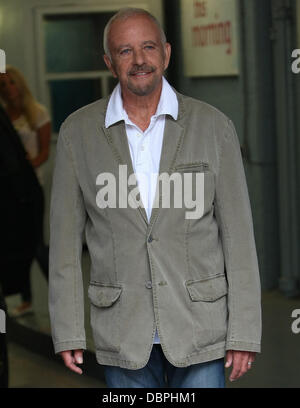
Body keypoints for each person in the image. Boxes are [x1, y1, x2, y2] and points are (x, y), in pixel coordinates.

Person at [49, 8, 262, 388]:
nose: (140, 60)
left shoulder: (214, 127)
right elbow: (64, 244)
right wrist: (67, 330)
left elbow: (239, 239)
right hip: (122, 329)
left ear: (166, 53)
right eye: (125, 51)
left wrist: (244, 331)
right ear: (110, 63)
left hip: (201, 327)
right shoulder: (77, 134)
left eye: (148, 47)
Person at [0, 66, 51, 317]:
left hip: (32, 188)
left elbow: (44, 152)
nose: (9, 88)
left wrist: (24, 166)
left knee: (36, 244)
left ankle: (59, 294)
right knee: (19, 246)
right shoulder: (4, 117)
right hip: (10, 192)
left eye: (11, 83)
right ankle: (26, 299)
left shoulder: (37, 112)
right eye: (3, 85)